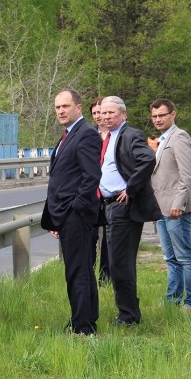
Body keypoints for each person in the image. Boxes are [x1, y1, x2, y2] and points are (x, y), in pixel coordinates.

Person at [42, 89, 102, 335]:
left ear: (78, 107)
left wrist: (73, 209)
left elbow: (91, 177)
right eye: (57, 107)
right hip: (66, 215)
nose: (60, 111)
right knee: (78, 269)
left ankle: (83, 326)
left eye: (65, 106)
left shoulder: (86, 134)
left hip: (76, 215)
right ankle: (83, 319)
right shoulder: (68, 135)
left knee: (78, 270)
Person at [98, 96, 160, 326]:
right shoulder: (108, 137)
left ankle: (129, 316)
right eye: (103, 113)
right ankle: (128, 311)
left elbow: (148, 158)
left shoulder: (130, 134)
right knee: (115, 262)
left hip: (122, 206)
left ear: (123, 114)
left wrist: (130, 188)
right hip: (108, 205)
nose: (105, 117)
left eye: (110, 113)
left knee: (120, 263)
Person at [149, 98, 191, 312]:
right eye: (154, 116)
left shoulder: (179, 137)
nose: (158, 119)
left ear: (173, 114)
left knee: (184, 256)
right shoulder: (162, 140)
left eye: (162, 115)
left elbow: (187, 175)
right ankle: (173, 301)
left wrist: (178, 204)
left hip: (176, 209)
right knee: (170, 258)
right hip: (161, 208)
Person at [89, 97, 111, 286]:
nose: (98, 116)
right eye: (94, 113)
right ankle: (89, 275)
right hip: (93, 193)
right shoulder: (89, 135)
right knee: (91, 236)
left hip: (110, 193)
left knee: (109, 238)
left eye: (100, 112)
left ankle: (105, 278)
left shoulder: (115, 135)